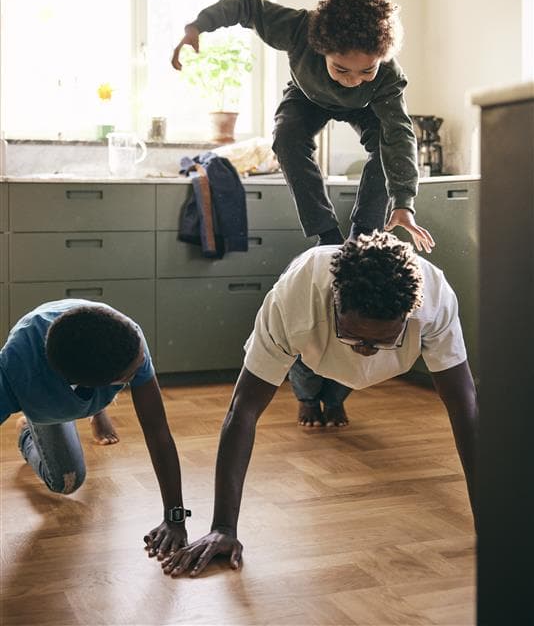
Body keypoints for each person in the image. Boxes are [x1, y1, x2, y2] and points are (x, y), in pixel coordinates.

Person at [155, 232, 477, 578]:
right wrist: (223, 527)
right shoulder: (294, 297)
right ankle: (310, 394)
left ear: (410, 314)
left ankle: (348, 373)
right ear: (335, 301)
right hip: (311, 347)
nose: (366, 349)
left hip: (367, 346)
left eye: (380, 340)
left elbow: (464, 407)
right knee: (307, 376)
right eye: (355, 336)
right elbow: (243, 410)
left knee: (351, 378)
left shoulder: (436, 300)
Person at [171, 0, 434, 253]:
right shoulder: (299, 30)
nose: (352, 81)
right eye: (341, 69)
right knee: (286, 137)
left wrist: (403, 203)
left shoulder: (388, 75)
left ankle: (364, 235)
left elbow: (400, 134)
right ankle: (327, 234)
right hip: (307, 98)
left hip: (365, 107)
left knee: (384, 146)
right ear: (321, 49)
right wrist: (199, 25)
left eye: (367, 71)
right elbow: (246, 6)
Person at [0, 300, 190, 560]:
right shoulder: (15, 372)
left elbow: (158, 432)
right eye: (133, 372)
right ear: (111, 383)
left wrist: (175, 518)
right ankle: (27, 431)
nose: (144, 360)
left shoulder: (130, 340)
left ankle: (96, 410)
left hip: (82, 366)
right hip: (45, 397)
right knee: (66, 482)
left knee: (106, 376)